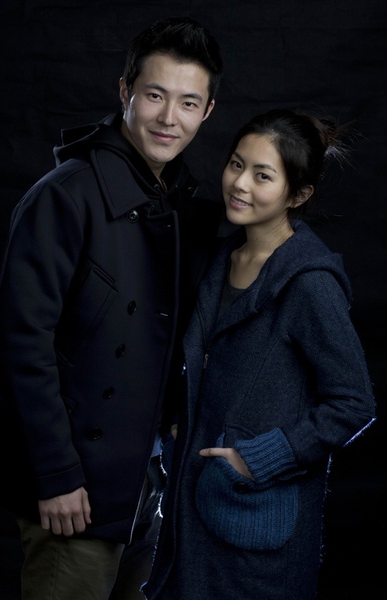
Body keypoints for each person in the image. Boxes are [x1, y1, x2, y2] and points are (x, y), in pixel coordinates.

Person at [0, 16, 223, 600]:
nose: (169, 118)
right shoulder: (65, 196)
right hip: (75, 491)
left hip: (146, 482)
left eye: (188, 103)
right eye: (155, 95)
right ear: (125, 91)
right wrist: (56, 475)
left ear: (207, 112)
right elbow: (22, 344)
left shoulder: (177, 202)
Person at [142, 109, 376, 600]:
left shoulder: (309, 283)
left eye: (262, 175)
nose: (239, 184)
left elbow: (354, 402)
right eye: (236, 164)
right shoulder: (220, 258)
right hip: (190, 509)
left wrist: (260, 459)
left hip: (254, 525)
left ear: (298, 195)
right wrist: (178, 421)